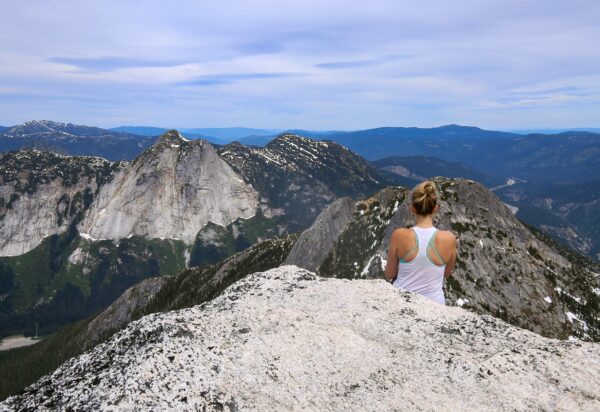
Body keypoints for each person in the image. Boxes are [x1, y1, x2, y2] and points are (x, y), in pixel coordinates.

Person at [384, 181, 457, 304]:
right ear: (435, 208)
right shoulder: (449, 239)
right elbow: (446, 274)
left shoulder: (399, 235)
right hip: (435, 305)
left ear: (413, 208)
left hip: (402, 303)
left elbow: (390, 274)